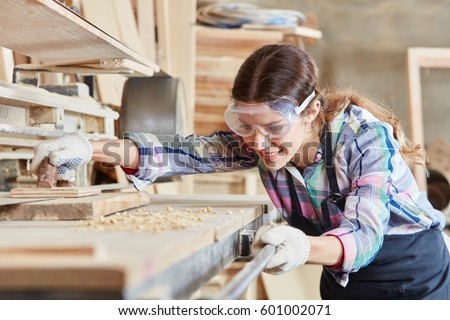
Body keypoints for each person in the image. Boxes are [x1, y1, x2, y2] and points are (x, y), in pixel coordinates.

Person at [31, 44, 450, 300]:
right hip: (342, 280)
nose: (259, 143)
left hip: (412, 275)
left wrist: (304, 248)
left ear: (313, 112)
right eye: (245, 126)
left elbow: (365, 236)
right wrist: (89, 146)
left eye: (274, 128)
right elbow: (181, 151)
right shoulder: (258, 139)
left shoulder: (362, 137)